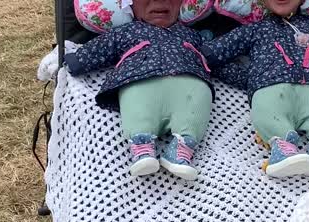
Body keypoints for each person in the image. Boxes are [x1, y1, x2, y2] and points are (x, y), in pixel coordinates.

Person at [202, 0, 309, 178]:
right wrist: (241, 75)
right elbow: (217, 52)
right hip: (271, 84)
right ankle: (283, 148)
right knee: (266, 110)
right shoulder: (255, 29)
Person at [62, 0, 214, 180]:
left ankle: (181, 150)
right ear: (129, 5)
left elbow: (214, 56)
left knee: (199, 99)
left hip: (189, 78)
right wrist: (72, 62)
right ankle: (142, 147)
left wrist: (246, 78)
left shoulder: (193, 36)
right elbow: (98, 50)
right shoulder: (127, 32)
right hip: (140, 77)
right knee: (137, 99)